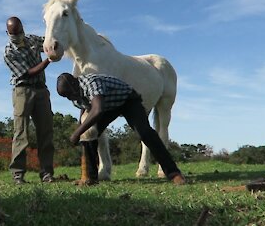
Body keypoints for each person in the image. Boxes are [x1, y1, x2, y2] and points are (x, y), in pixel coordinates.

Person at [56, 72, 186, 186]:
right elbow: (85, 108)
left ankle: (173, 173)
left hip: (128, 100)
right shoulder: (74, 96)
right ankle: (90, 178)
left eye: (70, 94)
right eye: (66, 97)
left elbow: (97, 109)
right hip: (109, 106)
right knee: (88, 134)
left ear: (74, 82)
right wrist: (81, 130)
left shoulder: (91, 83)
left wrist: (76, 133)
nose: (70, 98)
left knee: (145, 133)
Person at [3, 16, 55, 184]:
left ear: (23, 29)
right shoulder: (9, 53)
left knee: (45, 131)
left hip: (41, 89)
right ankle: (18, 174)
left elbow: (47, 43)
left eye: (19, 32)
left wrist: (55, 43)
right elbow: (28, 72)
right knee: (21, 132)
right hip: (22, 91)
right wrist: (49, 60)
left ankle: (47, 173)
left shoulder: (31, 39)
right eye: (13, 34)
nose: (17, 36)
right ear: (8, 33)